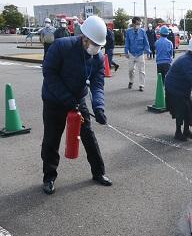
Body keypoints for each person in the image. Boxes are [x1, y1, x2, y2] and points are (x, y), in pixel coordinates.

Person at [41, 15, 112, 195]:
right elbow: (49, 73)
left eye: (99, 45)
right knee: (52, 138)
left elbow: (97, 84)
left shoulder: (97, 58)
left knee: (88, 136)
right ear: (84, 37)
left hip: (77, 99)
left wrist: (99, 107)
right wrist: (68, 100)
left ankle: (98, 173)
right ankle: (49, 177)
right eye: (93, 43)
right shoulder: (62, 46)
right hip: (54, 99)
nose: (96, 48)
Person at [124, 16, 151, 91]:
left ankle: (141, 85)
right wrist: (126, 52)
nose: (138, 25)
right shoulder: (129, 32)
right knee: (131, 70)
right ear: (133, 24)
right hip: (132, 53)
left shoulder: (142, 32)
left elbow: (146, 42)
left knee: (142, 70)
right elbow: (127, 43)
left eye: (139, 24)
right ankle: (131, 81)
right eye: (137, 24)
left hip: (140, 53)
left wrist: (148, 51)